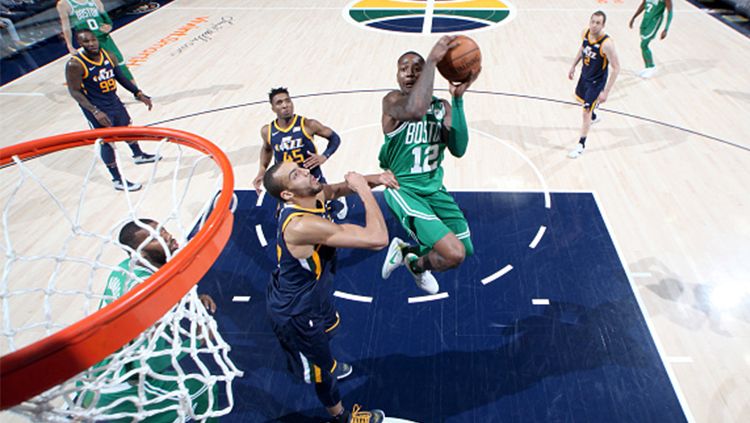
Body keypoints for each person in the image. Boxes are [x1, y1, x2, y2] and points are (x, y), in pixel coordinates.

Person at [263, 160, 397, 422]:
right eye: (296, 174)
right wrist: (365, 191)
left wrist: (376, 178)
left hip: (313, 295)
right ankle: (341, 417)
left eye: (301, 167)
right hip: (296, 311)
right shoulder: (300, 225)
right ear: (288, 194)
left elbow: (335, 190)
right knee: (323, 372)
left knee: (331, 328)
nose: (306, 172)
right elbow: (377, 239)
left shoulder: (311, 195)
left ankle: (326, 358)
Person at [77, 219, 218, 421]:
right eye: (155, 238)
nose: (167, 236)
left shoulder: (125, 268)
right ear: (142, 252)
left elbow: (164, 279)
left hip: (94, 374)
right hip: (119, 391)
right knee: (203, 389)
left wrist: (192, 298)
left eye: (163, 230)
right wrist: (197, 339)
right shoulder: (149, 297)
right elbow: (150, 363)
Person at [378, 36, 480, 295]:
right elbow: (415, 109)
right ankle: (415, 260)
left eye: (417, 68)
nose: (410, 73)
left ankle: (411, 257)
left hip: (434, 190)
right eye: (404, 69)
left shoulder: (441, 107)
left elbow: (459, 149)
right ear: (397, 75)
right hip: (404, 190)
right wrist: (432, 60)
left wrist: (456, 100)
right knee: (454, 253)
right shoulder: (392, 101)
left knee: (465, 248)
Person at [65, 29, 159, 191]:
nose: (91, 44)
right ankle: (117, 179)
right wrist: (95, 111)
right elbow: (74, 91)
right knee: (107, 142)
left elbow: (120, 77)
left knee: (127, 128)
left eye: (93, 40)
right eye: (86, 42)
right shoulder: (75, 64)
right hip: (95, 107)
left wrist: (138, 93)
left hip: (113, 100)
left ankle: (138, 155)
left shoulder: (108, 54)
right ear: (79, 44)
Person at [253, 87, 348, 219]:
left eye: (288, 101)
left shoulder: (308, 124)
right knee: (289, 215)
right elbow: (267, 149)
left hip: (311, 175)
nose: (285, 105)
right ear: (273, 108)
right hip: (288, 180)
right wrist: (262, 170)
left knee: (320, 215)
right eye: (279, 103)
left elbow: (335, 138)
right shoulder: (267, 131)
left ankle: (333, 198)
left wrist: (324, 156)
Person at [567, 10, 621, 159]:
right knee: (583, 103)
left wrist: (606, 92)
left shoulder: (607, 44)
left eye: (598, 23)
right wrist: (573, 66)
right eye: (592, 21)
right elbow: (582, 49)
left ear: (603, 25)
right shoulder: (585, 33)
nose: (594, 25)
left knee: (585, 113)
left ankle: (580, 145)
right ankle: (594, 114)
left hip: (596, 82)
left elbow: (616, 68)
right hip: (584, 76)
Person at [57, 0, 136, 82]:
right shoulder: (64, 4)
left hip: (104, 38)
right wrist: (69, 45)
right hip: (88, 42)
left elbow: (107, 20)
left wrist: (109, 26)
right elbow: (66, 27)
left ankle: (137, 92)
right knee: (97, 71)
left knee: (120, 64)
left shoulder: (95, 1)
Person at [629, 0, 673, 78]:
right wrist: (634, 17)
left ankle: (651, 67)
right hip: (646, 20)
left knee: (644, 45)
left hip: (654, 21)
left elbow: (670, 12)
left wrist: (666, 29)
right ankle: (647, 68)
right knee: (643, 45)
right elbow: (643, 4)